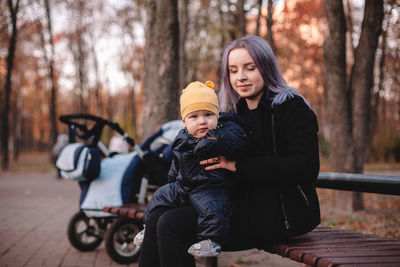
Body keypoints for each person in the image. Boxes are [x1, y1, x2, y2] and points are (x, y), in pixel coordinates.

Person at [138, 35, 320, 267]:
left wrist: (237, 166)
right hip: (236, 204)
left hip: (281, 214)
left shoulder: (290, 107)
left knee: (171, 224)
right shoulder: (231, 112)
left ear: (266, 67)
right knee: (157, 216)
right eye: (233, 70)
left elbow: (306, 167)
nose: (240, 77)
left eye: (250, 68)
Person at [135, 80, 249, 259]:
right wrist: (172, 180)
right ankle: (147, 228)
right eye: (194, 117)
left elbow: (239, 142)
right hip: (183, 186)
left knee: (212, 209)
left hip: (209, 186)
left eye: (208, 114)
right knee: (158, 197)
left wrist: (215, 140)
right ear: (184, 121)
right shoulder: (182, 138)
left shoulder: (223, 133)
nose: (202, 121)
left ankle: (210, 241)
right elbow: (177, 162)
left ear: (217, 115)